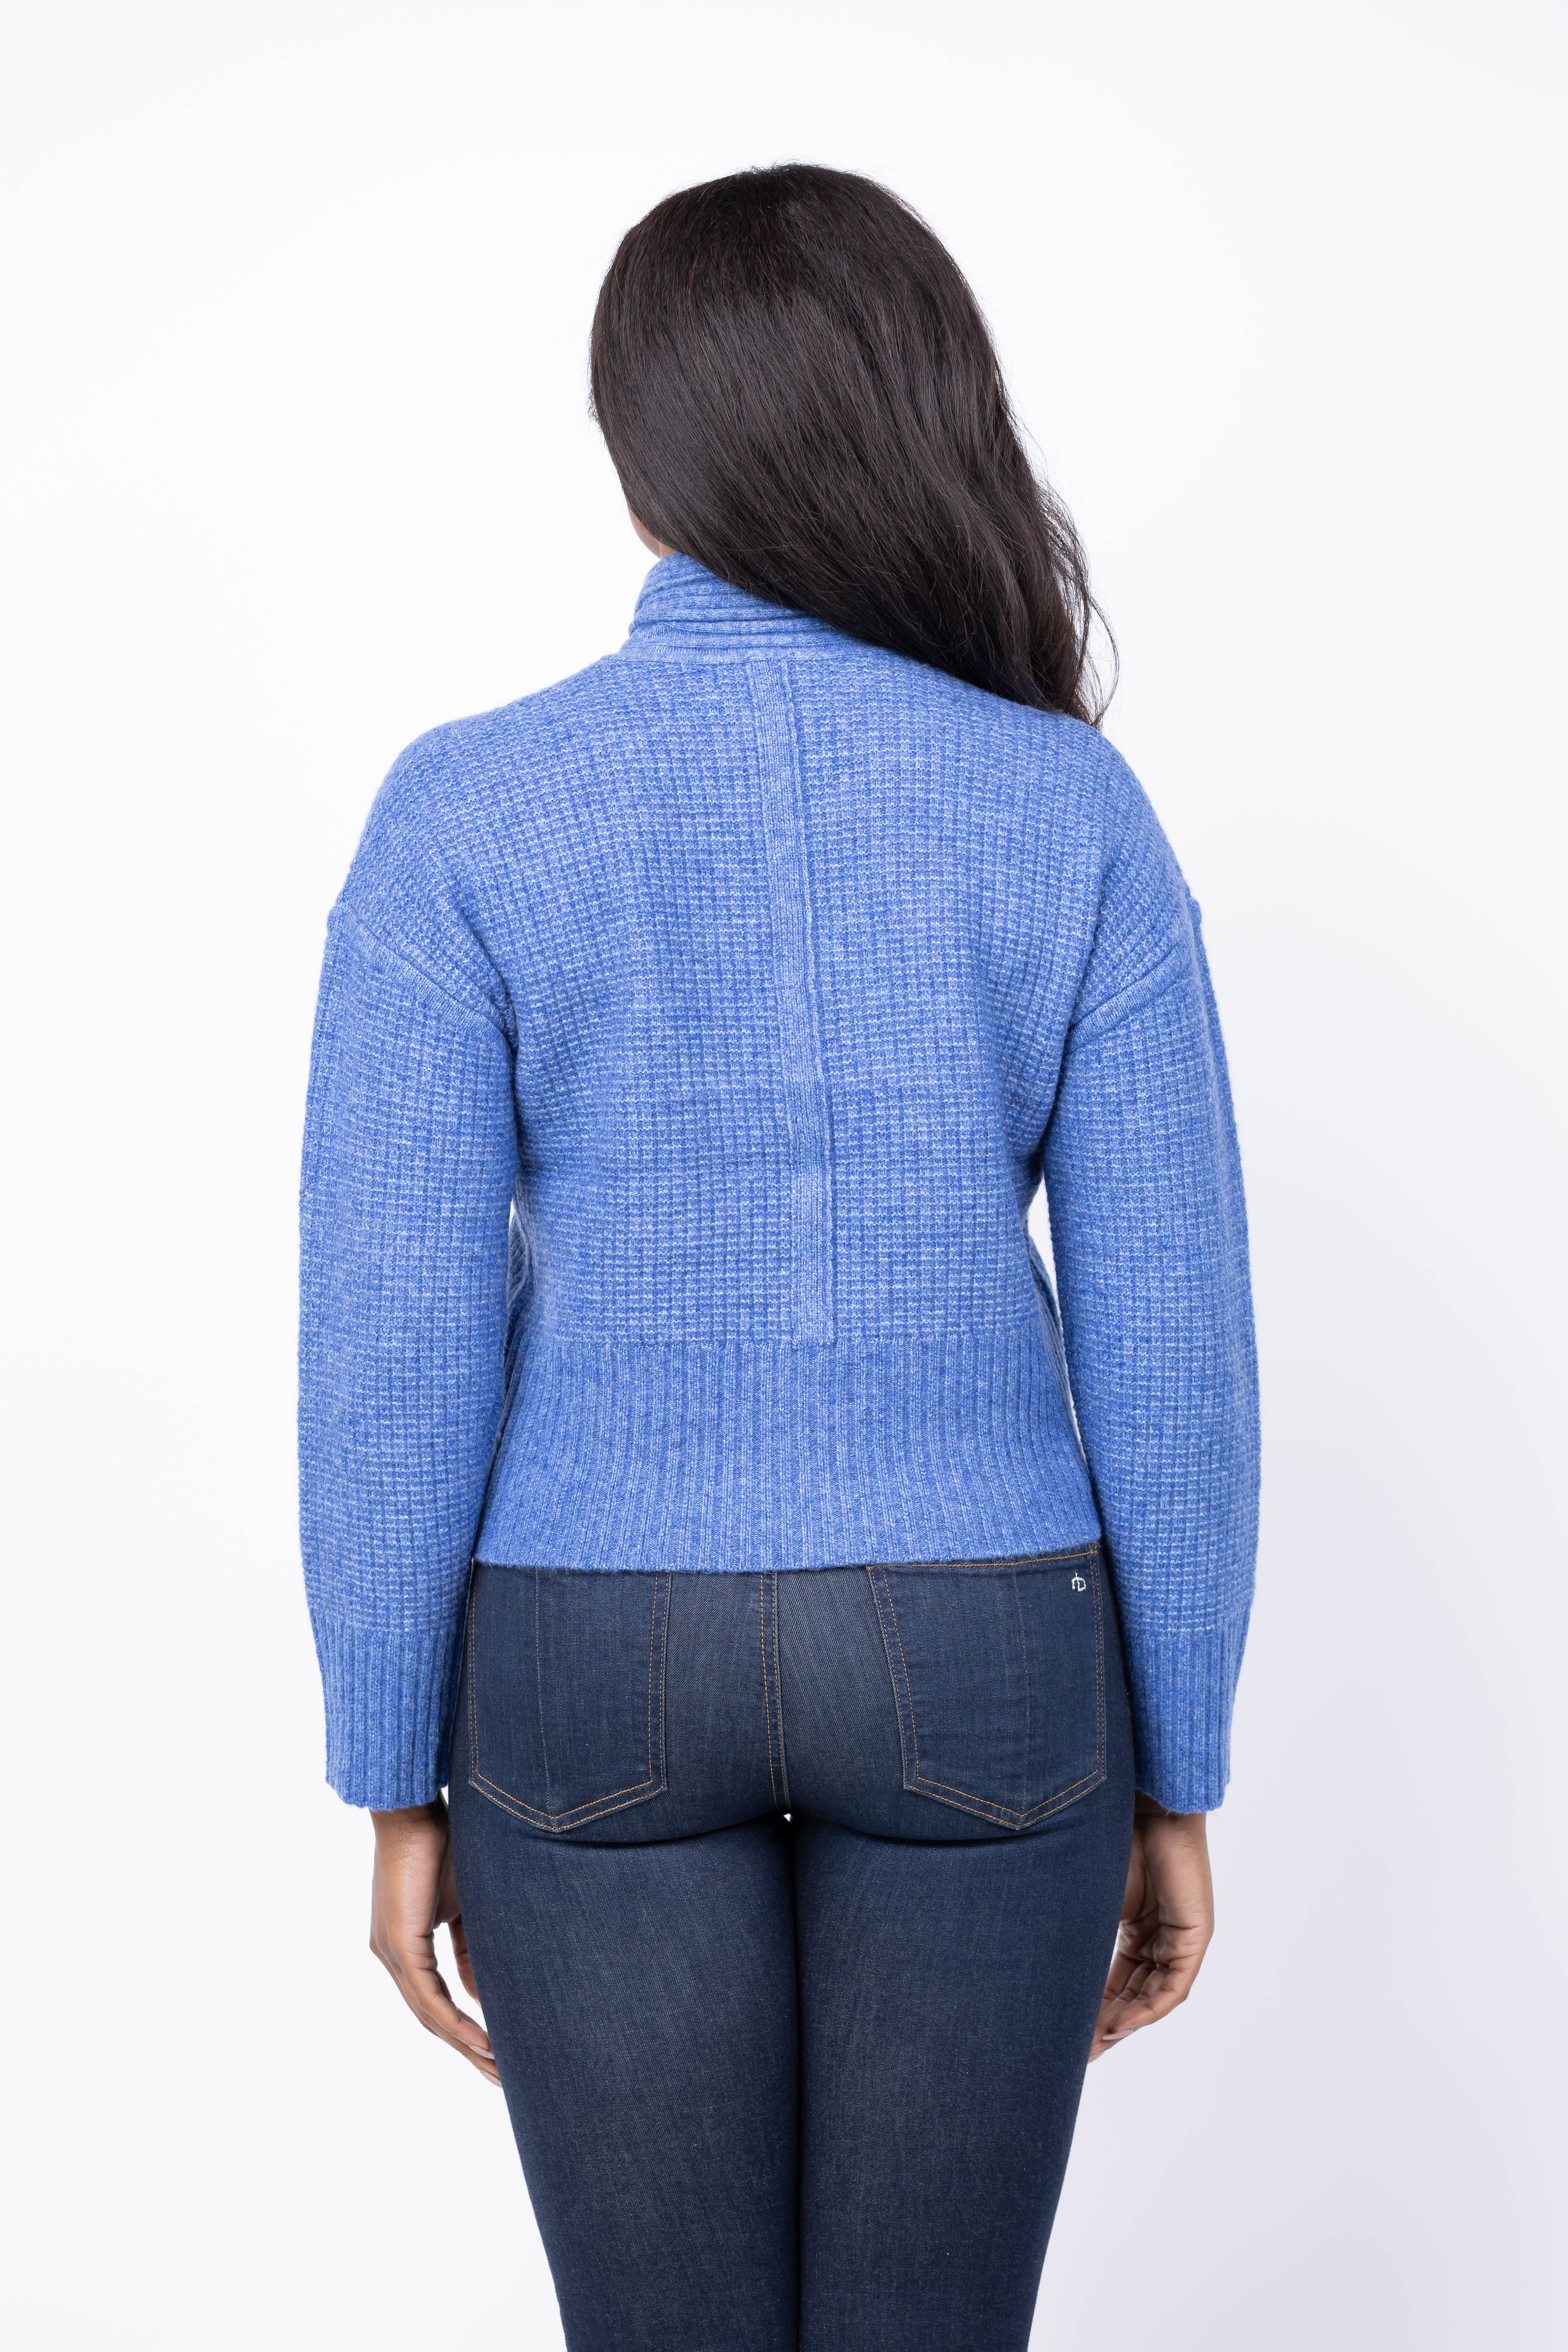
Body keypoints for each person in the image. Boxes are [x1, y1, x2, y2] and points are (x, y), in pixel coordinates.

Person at [298, 162, 1259, 2352]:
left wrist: (392, 1766)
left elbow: (391, 1339)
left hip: (582, 1659)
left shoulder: (467, 806)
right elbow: (1175, 1339)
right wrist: (1180, 1761)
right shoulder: (1067, 807)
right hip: (993, 1650)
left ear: (635, 445)